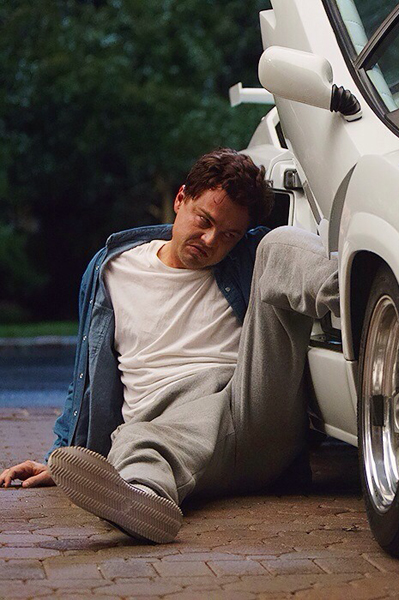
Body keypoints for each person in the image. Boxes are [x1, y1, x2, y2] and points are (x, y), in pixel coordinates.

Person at [0, 148, 339, 544]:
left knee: (280, 244)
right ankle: (142, 501)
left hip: (249, 414)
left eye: (229, 235)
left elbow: (272, 255)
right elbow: (84, 376)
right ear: (181, 199)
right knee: (132, 442)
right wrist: (58, 454)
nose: (210, 240)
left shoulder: (248, 259)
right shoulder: (111, 269)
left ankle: (355, 287)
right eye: (204, 220)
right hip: (162, 432)